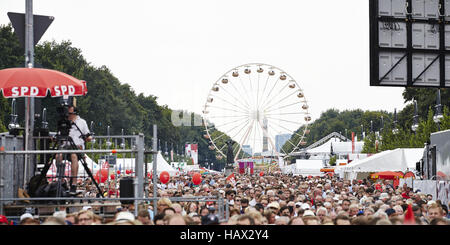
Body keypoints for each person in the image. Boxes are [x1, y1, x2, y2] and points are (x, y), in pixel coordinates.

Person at [56, 105, 92, 195]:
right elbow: (59, 134)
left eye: (70, 113)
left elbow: (88, 135)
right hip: (66, 145)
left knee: (74, 156)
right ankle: (61, 180)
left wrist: (88, 138)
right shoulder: (64, 122)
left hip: (77, 146)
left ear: (75, 113)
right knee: (58, 155)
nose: (68, 115)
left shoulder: (82, 122)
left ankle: (74, 183)